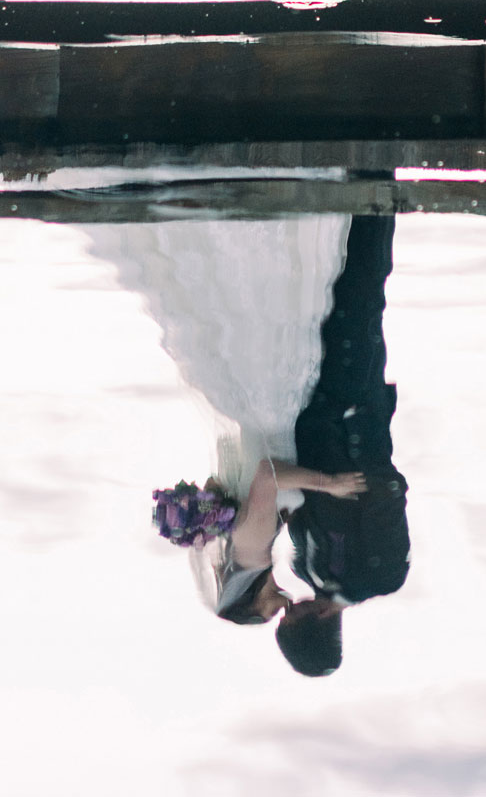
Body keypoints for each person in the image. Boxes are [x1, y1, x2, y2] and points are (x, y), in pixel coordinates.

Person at [86, 215, 366, 621]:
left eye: (268, 612)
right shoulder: (239, 544)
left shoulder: (252, 554)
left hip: (271, 408)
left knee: (272, 305)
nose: (281, 607)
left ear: (249, 599)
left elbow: (268, 476)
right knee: (242, 311)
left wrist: (330, 485)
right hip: (251, 409)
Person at [276, 215, 411, 678]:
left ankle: (336, 201)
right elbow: (391, 493)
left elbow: (300, 508)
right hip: (354, 411)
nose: (284, 609)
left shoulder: (303, 572)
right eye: (289, 619)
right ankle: (374, 199)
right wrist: (340, 478)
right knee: (360, 297)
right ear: (313, 624)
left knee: (319, 294)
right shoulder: (381, 577)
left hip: (308, 411)